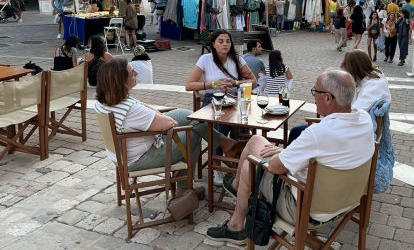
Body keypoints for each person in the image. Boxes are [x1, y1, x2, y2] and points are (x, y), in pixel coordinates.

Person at [206, 70, 375, 245]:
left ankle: (236, 219)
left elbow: (275, 168)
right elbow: (330, 156)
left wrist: (281, 155)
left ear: (327, 98)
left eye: (315, 92)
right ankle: (236, 192)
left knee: (251, 164)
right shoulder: (364, 120)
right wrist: (284, 152)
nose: (313, 97)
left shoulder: (318, 134)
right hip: (348, 203)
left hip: (306, 210)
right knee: (260, 148)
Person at [94, 58, 238, 186]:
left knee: (187, 115)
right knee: (193, 133)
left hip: (123, 154)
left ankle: (224, 143)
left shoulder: (105, 102)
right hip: (140, 158)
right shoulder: (131, 110)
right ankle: (185, 187)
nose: (136, 74)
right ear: (121, 81)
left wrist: (152, 112)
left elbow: (144, 107)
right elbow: (169, 123)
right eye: (132, 73)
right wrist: (157, 115)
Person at [186, 29, 256, 185]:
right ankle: (217, 167)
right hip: (212, 99)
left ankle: (240, 160)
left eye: (228, 41)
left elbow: (254, 81)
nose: (225, 44)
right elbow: (189, 85)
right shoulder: (205, 59)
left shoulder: (237, 59)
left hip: (234, 99)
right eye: (221, 41)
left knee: (244, 123)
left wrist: (236, 83)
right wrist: (213, 84)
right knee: (220, 125)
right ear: (213, 44)